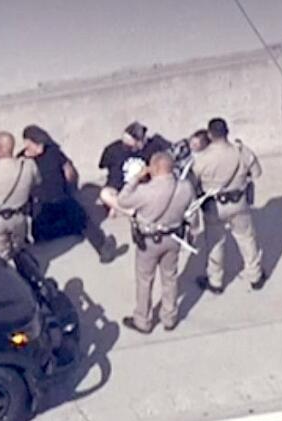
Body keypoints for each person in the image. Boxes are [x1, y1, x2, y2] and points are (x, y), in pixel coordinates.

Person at [107, 151, 196, 334]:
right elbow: (192, 212)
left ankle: (143, 320)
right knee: (170, 277)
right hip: (173, 238)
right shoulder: (186, 187)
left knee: (145, 280)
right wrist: (192, 232)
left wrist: (136, 179)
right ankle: (169, 317)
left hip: (148, 242)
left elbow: (123, 200)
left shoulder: (145, 191)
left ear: (153, 168)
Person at [20, 124, 122, 263]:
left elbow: (70, 173)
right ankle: (90, 238)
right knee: (75, 222)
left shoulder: (50, 152)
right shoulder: (29, 159)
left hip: (57, 199)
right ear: (26, 143)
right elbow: (69, 173)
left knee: (80, 219)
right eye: (36, 144)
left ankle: (102, 247)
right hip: (45, 204)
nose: (40, 147)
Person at [194, 117, 265, 293]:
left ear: (210, 134)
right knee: (247, 239)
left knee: (215, 242)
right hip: (239, 202)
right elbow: (257, 172)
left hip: (214, 206)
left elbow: (192, 184)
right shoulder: (242, 151)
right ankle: (255, 276)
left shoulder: (202, 159)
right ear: (227, 132)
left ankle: (215, 281)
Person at [98, 121, 171, 191]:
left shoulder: (156, 145)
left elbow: (174, 154)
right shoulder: (113, 149)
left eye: (130, 146)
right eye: (124, 144)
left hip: (143, 192)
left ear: (142, 141)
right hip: (117, 192)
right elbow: (102, 166)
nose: (125, 148)